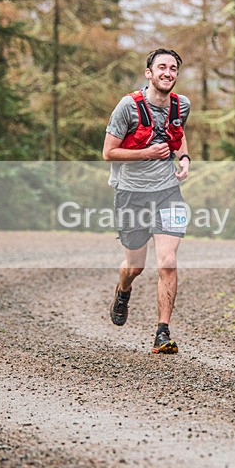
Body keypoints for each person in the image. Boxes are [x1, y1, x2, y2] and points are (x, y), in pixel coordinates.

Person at [102, 48, 191, 354]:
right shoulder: (128, 107)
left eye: (173, 69)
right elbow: (108, 152)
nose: (168, 73)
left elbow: (179, 135)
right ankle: (123, 290)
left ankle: (162, 332)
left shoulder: (182, 105)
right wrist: (146, 153)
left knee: (167, 262)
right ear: (149, 73)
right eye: (162, 68)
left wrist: (185, 158)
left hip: (168, 193)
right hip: (131, 195)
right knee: (134, 266)